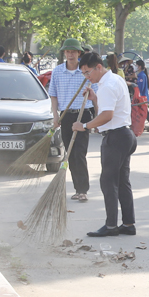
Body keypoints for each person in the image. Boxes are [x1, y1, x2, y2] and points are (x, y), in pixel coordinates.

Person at [74, 52, 136, 238]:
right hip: (125, 135)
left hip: (115, 138)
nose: (87, 77)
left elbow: (106, 116)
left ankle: (111, 226)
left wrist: (83, 126)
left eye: (87, 72)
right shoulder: (115, 80)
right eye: (84, 74)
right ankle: (128, 223)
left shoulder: (107, 85)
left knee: (108, 182)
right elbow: (109, 109)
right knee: (122, 181)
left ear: (98, 67)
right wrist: (94, 99)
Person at [48, 38, 95, 202]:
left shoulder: (86, 72)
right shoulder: (57, 71)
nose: (70, 54)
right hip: (66, 115)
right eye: (67, 52)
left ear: (79, 53)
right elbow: (53, 96)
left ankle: (83, 189)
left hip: (83, 114)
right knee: (70, 153)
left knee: (79, 152)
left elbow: (96, 94)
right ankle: (77, 188)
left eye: (73, 52)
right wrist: (55, 116)